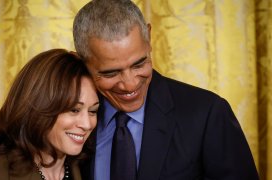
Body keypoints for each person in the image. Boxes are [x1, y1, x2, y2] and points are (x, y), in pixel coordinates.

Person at [73, 0, 259, 179]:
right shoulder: (68, 120)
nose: (130, 84)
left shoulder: (208, 114)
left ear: (149, 36)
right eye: (111, 73)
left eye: (139, 64)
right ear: (81, 62)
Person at [0, 49, 99, 180]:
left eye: (93, 111)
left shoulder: (92, 171)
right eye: (74, 110)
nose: (87, 124)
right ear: (39, 107)